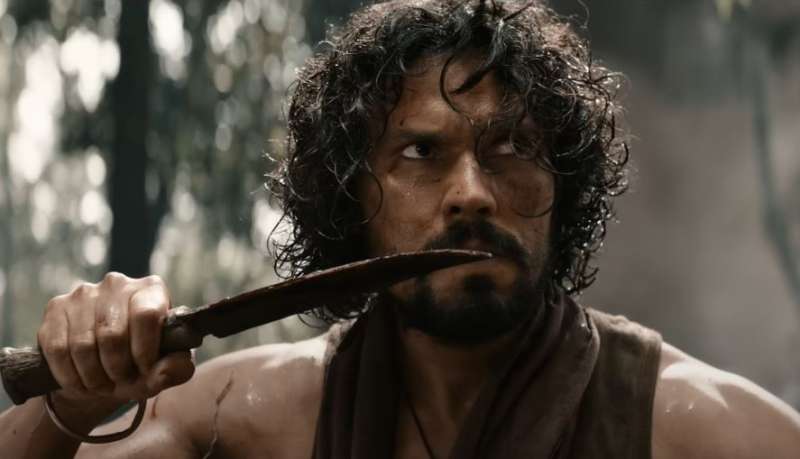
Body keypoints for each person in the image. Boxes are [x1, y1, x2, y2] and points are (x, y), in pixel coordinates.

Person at [1, 0, 799, 457]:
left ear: (563, 187)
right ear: (353, 194)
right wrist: (69, 405)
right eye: (421, 152)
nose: (471, 194)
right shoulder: (253, 415)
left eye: (511, 148)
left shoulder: (694, 427)